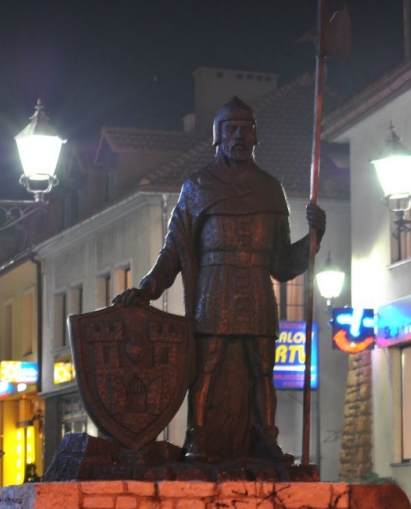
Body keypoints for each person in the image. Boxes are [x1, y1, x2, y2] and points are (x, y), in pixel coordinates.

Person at [114, 96, 326, 462]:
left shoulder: (270, 189)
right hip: (214, 288)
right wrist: (147, 289)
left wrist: (314, 238)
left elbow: (280, 263)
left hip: (257, 289)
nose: (240, 136)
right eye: (232, 129)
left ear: (256, 136)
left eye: (247, 129)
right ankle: (199, 436)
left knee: (262, 368)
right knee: (206, 366)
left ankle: (266, 438)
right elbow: (175, 248)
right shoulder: (198, 186)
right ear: (218, 136)